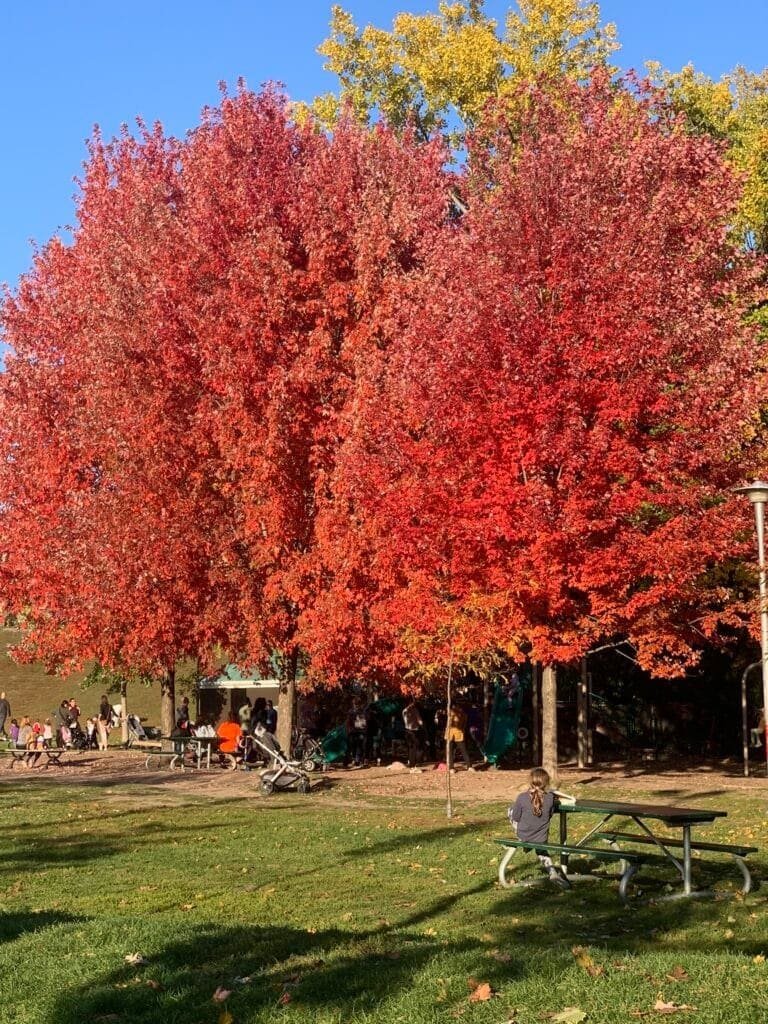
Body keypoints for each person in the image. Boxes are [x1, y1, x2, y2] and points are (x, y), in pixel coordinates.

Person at [508, 767, 569, 889]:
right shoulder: (550, 798)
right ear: (546, 783)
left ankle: (525, 844)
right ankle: (552, 873)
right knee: (541, 848)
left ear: (530, 782)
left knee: (510, 811)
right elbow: (550, 815)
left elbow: (515, 817)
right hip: (541, 837)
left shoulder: (522, 797)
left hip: (524, 835)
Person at [445, 704, 473, 771]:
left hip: (458, 734)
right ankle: (451, 767)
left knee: (463, 750)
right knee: (450, 751)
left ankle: (469, 766)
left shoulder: (462, 715)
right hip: (450, 734)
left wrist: (462, 730)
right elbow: (450, 724)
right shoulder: (451, 713)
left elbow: (462, 724)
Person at [346, 699, 369, 768]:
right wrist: (348, 730)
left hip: (360, 731)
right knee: (353, 746)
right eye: (355, 704)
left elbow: (364, 722)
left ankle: (358, 760)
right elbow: (348, 721)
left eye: (357, 704)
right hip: (353, 731)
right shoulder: (351, 712)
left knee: (360, 746)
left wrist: (364, 730)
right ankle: (354, 759)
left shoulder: (362, 711)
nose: (356, 705)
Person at [402, 697, 424, 770]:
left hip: (408, 730)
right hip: (414, 731)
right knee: (418, 747)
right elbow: (420, 721)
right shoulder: (413, 710)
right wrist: (421, 725)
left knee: (411, 747)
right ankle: (415, 762)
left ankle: (412, 763)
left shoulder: (405, 711)